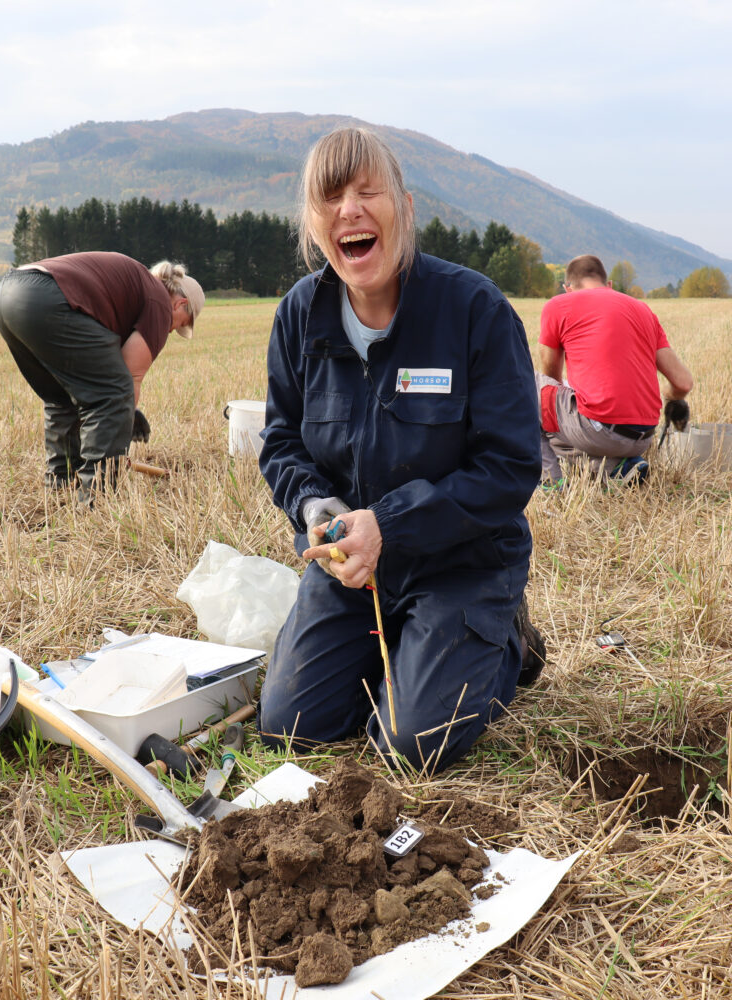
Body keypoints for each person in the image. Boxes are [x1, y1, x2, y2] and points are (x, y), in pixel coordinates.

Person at [257, 126, 545, 774]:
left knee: (410, 743)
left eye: (368, 192)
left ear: (405, 209)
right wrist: (314, 506)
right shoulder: (300, 315)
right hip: (352, 570)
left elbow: (510, 466)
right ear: (312, 224)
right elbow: (280, 440)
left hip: (460, 562)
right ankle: (402, 647)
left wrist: (390, 525)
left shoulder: (473, 309)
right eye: (330, 198)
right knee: (289, 727)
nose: (349, 210)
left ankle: (506, 641)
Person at [0, 252, 204, 502]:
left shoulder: (137, 286)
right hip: (48, 299)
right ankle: (96, 499)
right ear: (179, 304)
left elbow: (105, 374)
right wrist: (121, 419)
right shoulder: (159, 302)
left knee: (62, 398)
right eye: (180, 324)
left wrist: (123, 416)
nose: (171, 329)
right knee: (112, 396)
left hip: (8, 294)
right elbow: (128, 379)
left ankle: (61, 485)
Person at [536, 254, 694, 485]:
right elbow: (683, 383)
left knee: (527, 386)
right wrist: (671, 397)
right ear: (608, 284)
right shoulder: (643, 310)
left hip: (598, 431)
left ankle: (550, 483)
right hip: (643, 436)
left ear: (567, 288)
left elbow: (551, 382)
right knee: (569, 417)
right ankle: (615, 468)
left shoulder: (559, 305)